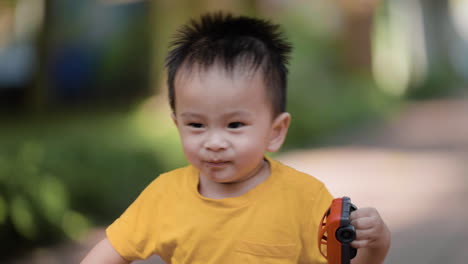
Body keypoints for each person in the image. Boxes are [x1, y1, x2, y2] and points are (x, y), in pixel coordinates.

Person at [81, 12, 391, 264]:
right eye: (196, 125)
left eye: (235, 125)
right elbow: (108, 254)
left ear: (275, 131)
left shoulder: (304, 198)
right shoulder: (163, 196)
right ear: (177, 125)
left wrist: (375, 246)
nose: (214, 141)